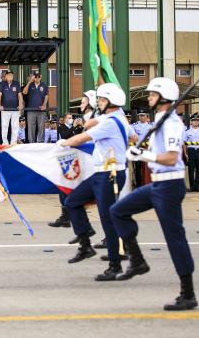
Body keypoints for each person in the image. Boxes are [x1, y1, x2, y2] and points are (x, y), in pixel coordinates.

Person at [111, 77, 197, 311]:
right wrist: (142, 149)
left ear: (164, 97)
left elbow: (171, 157)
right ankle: (137, 261)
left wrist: (144, 156)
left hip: (169, 186)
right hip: (158, 185)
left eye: (151, 94)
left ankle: (187, 293)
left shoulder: (171, 123)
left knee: (174, 238)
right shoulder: (161, 118)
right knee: (118, 211)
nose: (148, 97)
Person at [59, 83, 134, 281]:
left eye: (101, 99)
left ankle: (114, 265)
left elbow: (80, 138)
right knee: (72, 202)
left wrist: (62, 143)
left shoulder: (110, 122)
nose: (98, 102)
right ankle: (85, 244)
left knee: (107, 220)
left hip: (110, 175)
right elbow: (133, 136)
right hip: (102, 174)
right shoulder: (116, 118)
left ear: (111, 101)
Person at [182, 113, 199, 192]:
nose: (196, 122)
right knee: (191, 169)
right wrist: (185, 153)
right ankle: (192, 186)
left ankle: (197, 186)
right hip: (191, 150)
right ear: (191, 122)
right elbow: (184, 143)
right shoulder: (187, 131)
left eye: (197, 120)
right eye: (194, 120)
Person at [0, 70, 23, 145]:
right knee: (4, 126)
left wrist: (20, 105)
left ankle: (13, 143)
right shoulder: (2, 84)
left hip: (15, 109)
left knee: (15, 127)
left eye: (11, 75)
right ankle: (5, 143)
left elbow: (20, 95)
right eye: (8, 75)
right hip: (5, 109)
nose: (10, 76)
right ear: (6, 76)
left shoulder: (16, 83)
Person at [22, 72, 48, 143]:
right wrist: (30, 81)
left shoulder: (44, 85)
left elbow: (46, 96)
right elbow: (24, 92)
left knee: (41, 127)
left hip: (41, 110)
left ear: (41, 77)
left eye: (38, 77)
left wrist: (44, 105)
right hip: (31, 110)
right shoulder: (30, 84)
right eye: (36, 77)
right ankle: (31, 142)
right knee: (31, 127)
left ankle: (40, 142)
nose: (37, 78)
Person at [132, 109, 153, 187]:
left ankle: (147, 184)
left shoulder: (151, 126)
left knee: (148, 168)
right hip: (138, 149)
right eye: (140, 116)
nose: (141, 117)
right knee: (138, 168)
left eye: (143, 115)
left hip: (148, 150)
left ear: (147, 116)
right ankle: (138, 185)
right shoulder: (134, 126)